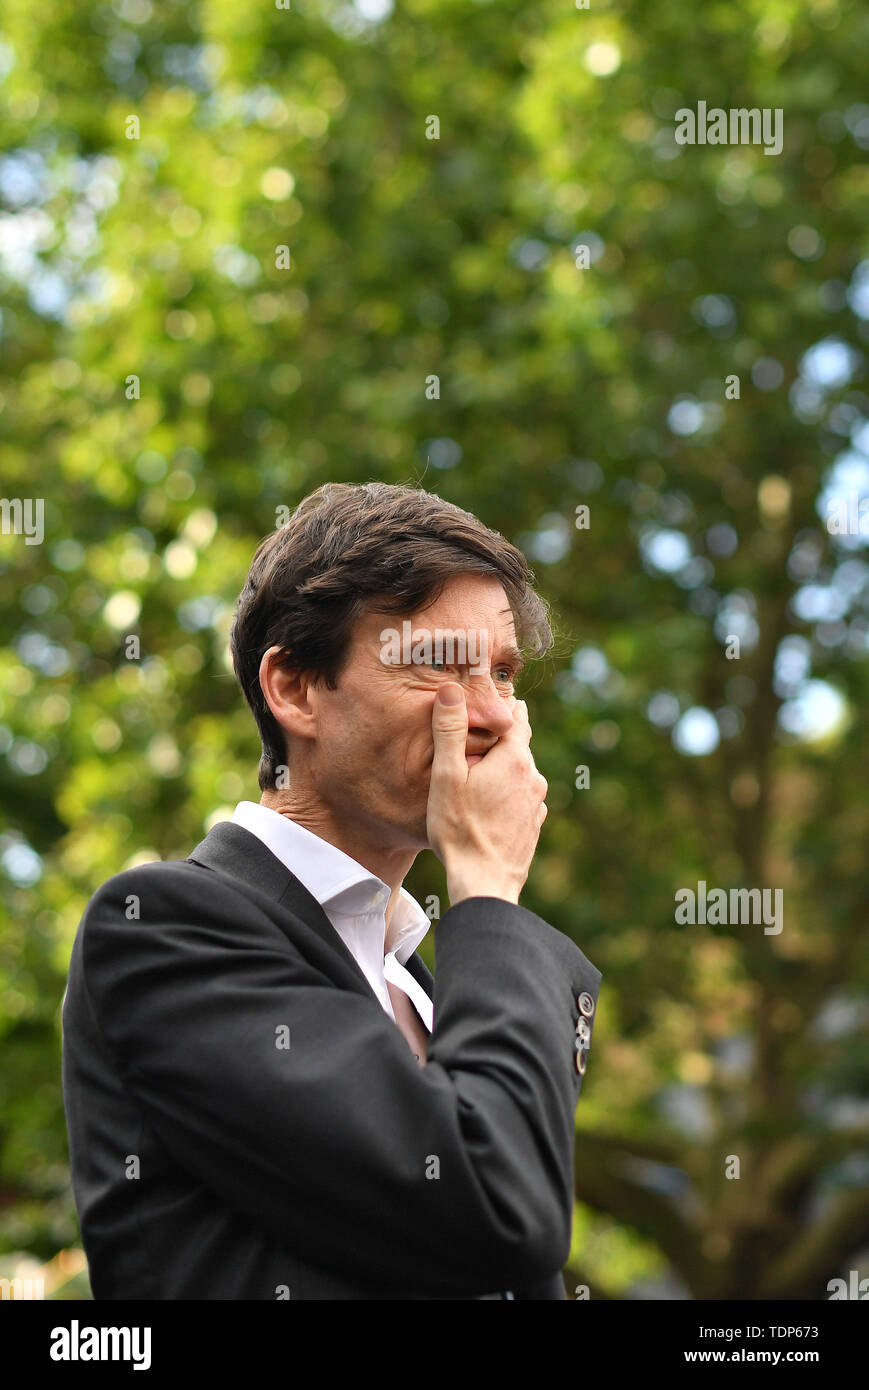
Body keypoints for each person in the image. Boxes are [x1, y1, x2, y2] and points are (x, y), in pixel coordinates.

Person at [62, 480, 602, 1299]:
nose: (492, 715)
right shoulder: (164, 929)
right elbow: (496, 1209)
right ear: (296, 689)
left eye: (503, 673)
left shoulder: (426, 982)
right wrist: (488, 891)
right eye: (439, 665)